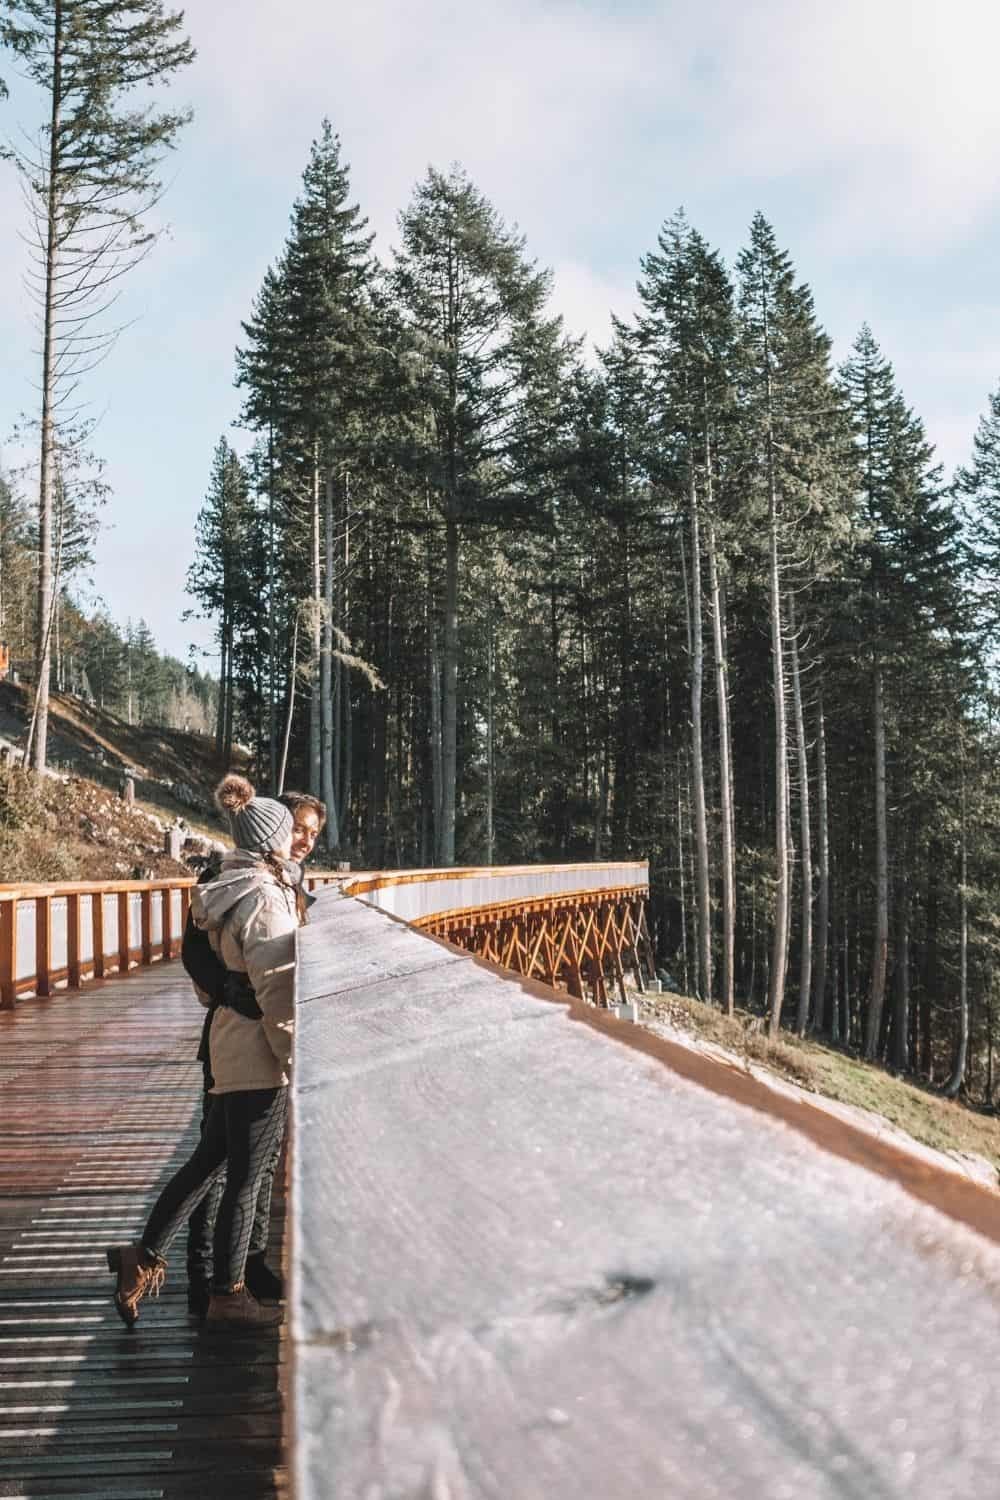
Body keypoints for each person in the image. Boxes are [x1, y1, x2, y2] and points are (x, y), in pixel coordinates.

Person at [106, 774, 307, 1331]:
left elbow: (207, 981)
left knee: (209, 1163)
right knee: (245, 1178)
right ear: (272, 841)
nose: (295, 843)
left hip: (226, 1042)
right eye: (290, 835)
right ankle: (228, 1294)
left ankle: (141, 1257)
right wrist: (297, 1060)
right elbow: (278, 989)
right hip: (256, 1054)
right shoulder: (265, 898)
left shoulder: (223, 890)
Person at [182, 791, 326, 1317]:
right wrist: (227, 991)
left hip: (246, 1035)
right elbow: (194, 951)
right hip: (240, 1037)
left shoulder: (287, 879)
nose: (305, 839)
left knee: (252, 1165)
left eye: (313, 832)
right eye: (299, 828)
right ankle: (208, 1279)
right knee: (221, 1165)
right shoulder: (235, 878)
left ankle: (249, 1267)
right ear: (273, 828)